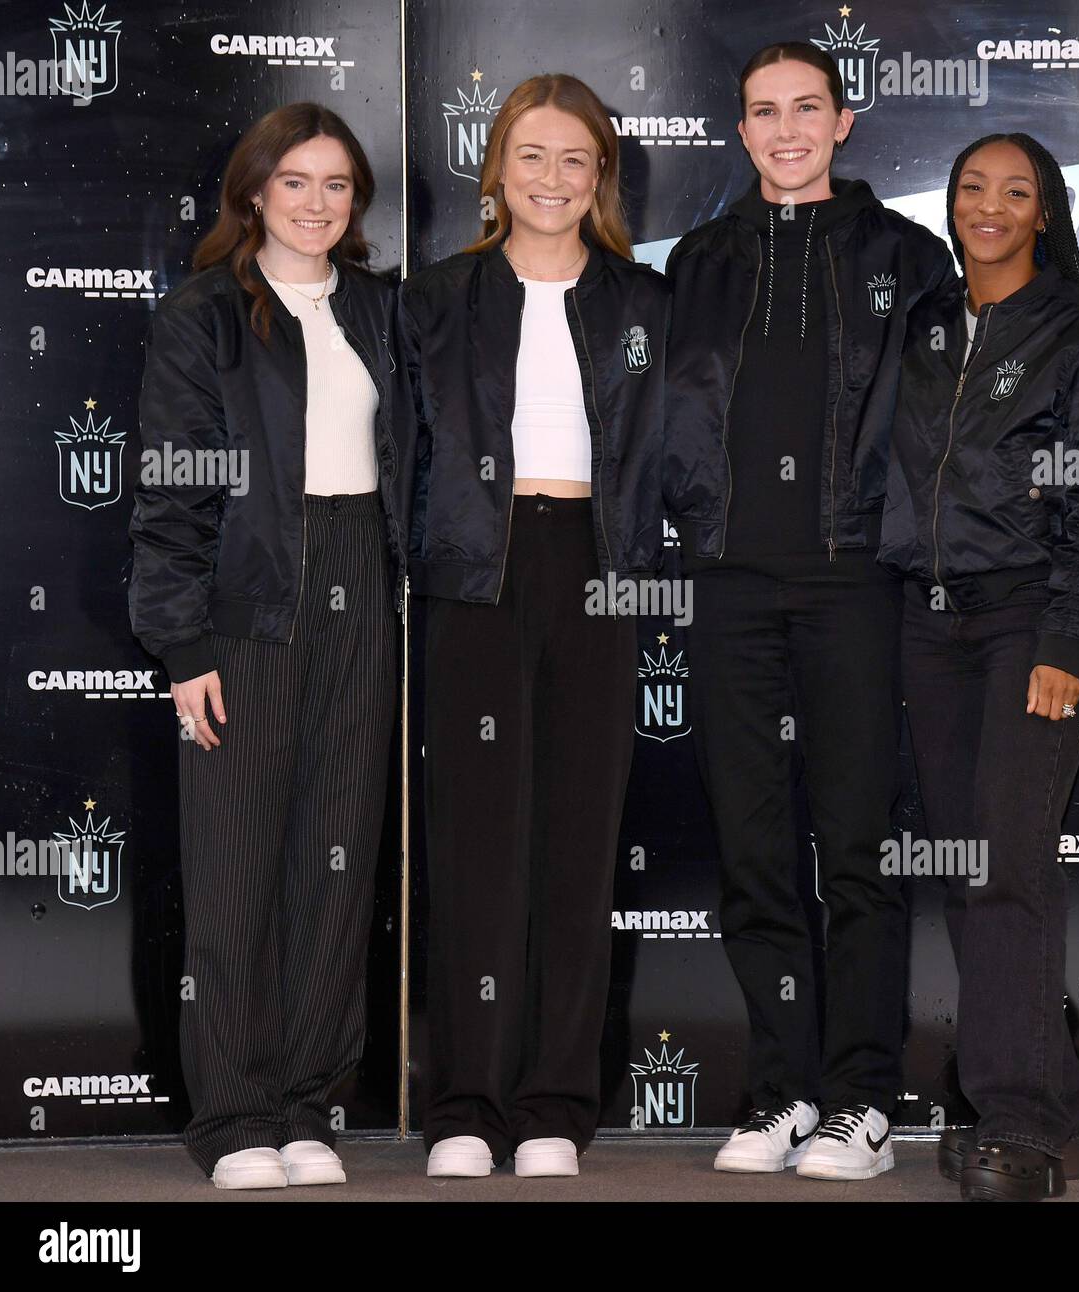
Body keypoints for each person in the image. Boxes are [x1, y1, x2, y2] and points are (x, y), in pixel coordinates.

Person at [662, 42, 955, 1180]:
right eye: (761, 113)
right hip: (729, 583)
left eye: (805, 109)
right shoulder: (699, 259)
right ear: (739, 132)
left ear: (844, 121)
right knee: (752, 849)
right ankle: (783, 1091)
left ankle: (864, 1101)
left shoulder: (908, 256)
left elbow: (941, 430)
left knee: (857, 850)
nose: (783, 130)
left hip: (854, 583)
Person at [128, 102, 416, 1189]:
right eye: (295, 181)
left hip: (360, 585)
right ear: (253, 192)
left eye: (337, 184)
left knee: (334, 865)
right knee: (239, 865)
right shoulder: (203, 314)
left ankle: (307, 1100)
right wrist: (184, 642)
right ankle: (236, 1115)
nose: (316, 203)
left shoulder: (379, 310)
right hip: (246, 603)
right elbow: (171, 491)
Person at [399, 73, 669, 1179]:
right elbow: (399, 455)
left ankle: (555, 1100)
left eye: (574, 159)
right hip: (475, 574)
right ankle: (467, 1100)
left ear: (599, 176)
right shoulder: (433, 298)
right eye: (531, 156)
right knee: (474, 847)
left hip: (598, 575)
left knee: (574, 843)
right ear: (495, 170)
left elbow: (682, 459)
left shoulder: (644, 303)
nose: (551, 179)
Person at [878, 132, 1079, 1201]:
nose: (987, 206)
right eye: (970, 188)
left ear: (1045, 211)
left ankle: (1022, 1125)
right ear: (948, 202)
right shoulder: (921, 325)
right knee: (971, 871)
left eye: (1014, 191)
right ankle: (1050, 1102)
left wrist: (1069, 641)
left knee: (1006, 869)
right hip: (926, 624)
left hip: (1024, 626)